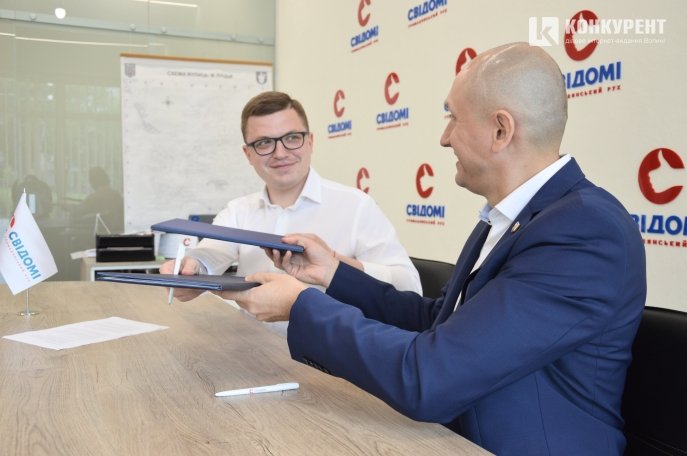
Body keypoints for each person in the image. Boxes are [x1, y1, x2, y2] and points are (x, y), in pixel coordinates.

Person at [218, 43, 647, 455]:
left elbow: (431, 376)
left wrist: (301, 305)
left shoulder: (584, 231)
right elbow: (438, 322)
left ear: (501, 130)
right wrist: (332, 274)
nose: (444, 138)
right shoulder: (510, 218)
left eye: (453, 118)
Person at [162, 91, 421, 335]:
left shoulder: (357, 206)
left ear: (310, 141)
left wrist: (335, 266)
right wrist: (189, 270)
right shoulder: (238, 211)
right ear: (248, 154)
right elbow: (209, 255)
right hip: (252, 350)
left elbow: (409, 287)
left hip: (331, 355)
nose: (280, 153)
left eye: (292, 138)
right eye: (264, 143)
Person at [71, 166, 124, 233]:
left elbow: (77, 213)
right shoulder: (117, 195)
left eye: (90, 179)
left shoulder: (92, 198)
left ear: (93, 181)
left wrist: (71, 208)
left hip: (99, 235)